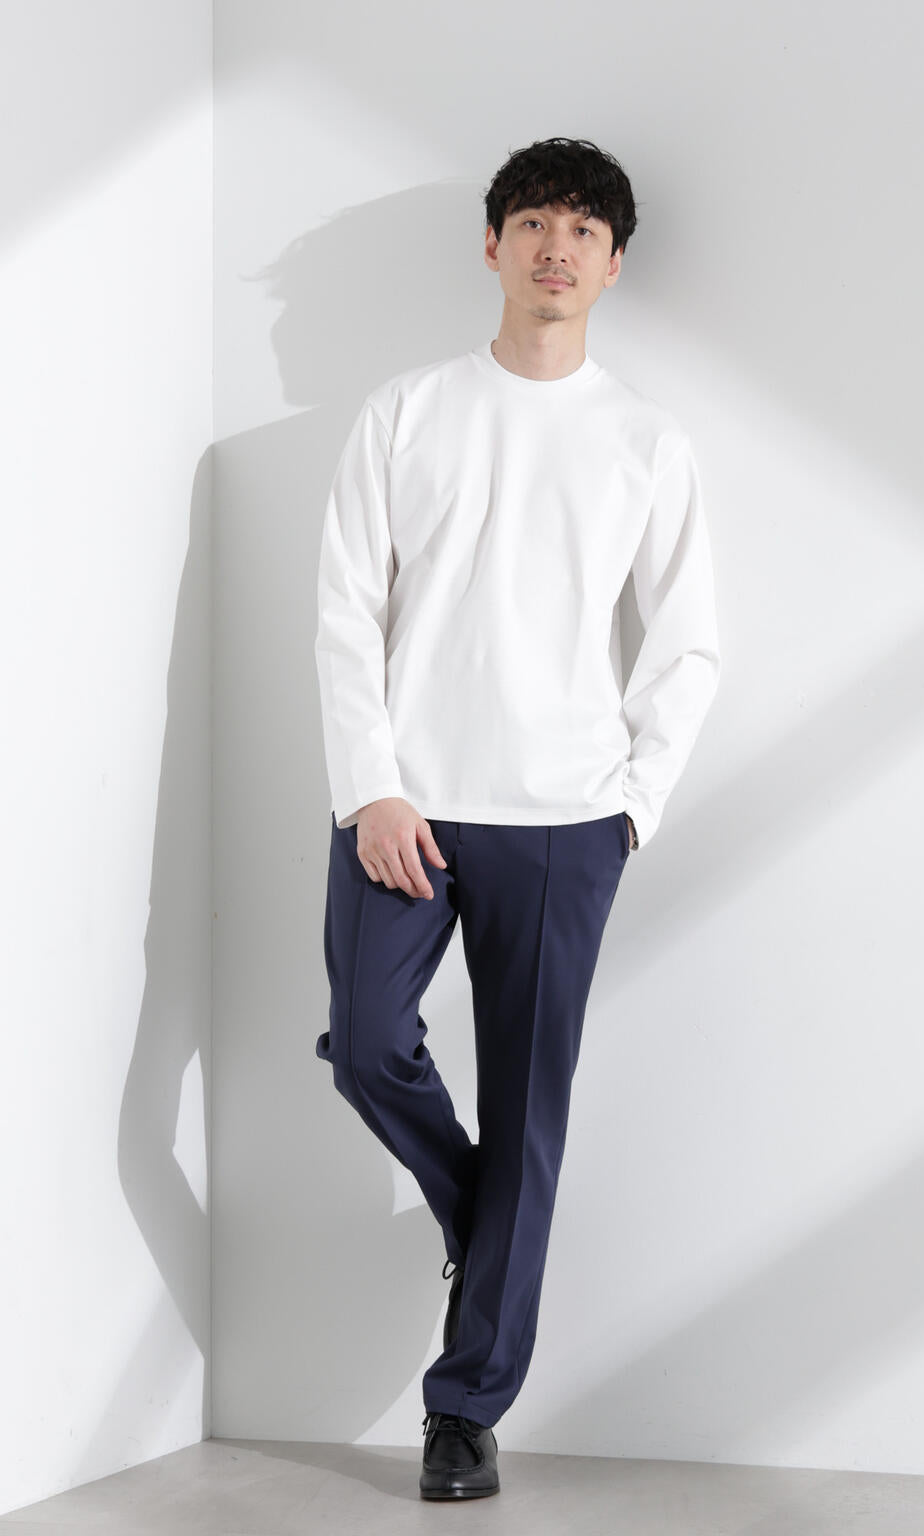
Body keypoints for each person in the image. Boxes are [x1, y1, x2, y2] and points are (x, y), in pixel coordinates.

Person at [312, 136, 721, 1501]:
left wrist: (633, 808)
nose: (559, 246)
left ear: (614, 265)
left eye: (585, 230)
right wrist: (371, 784)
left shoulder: (646, 441)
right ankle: (481, 1216)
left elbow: (689, 645)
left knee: (529, 1101)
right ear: (492, 246)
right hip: (403, 809)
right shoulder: (406, 413)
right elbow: (344, 613)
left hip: (565, 822)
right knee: (369, 1043)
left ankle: (465, 1411)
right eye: (535, 221)